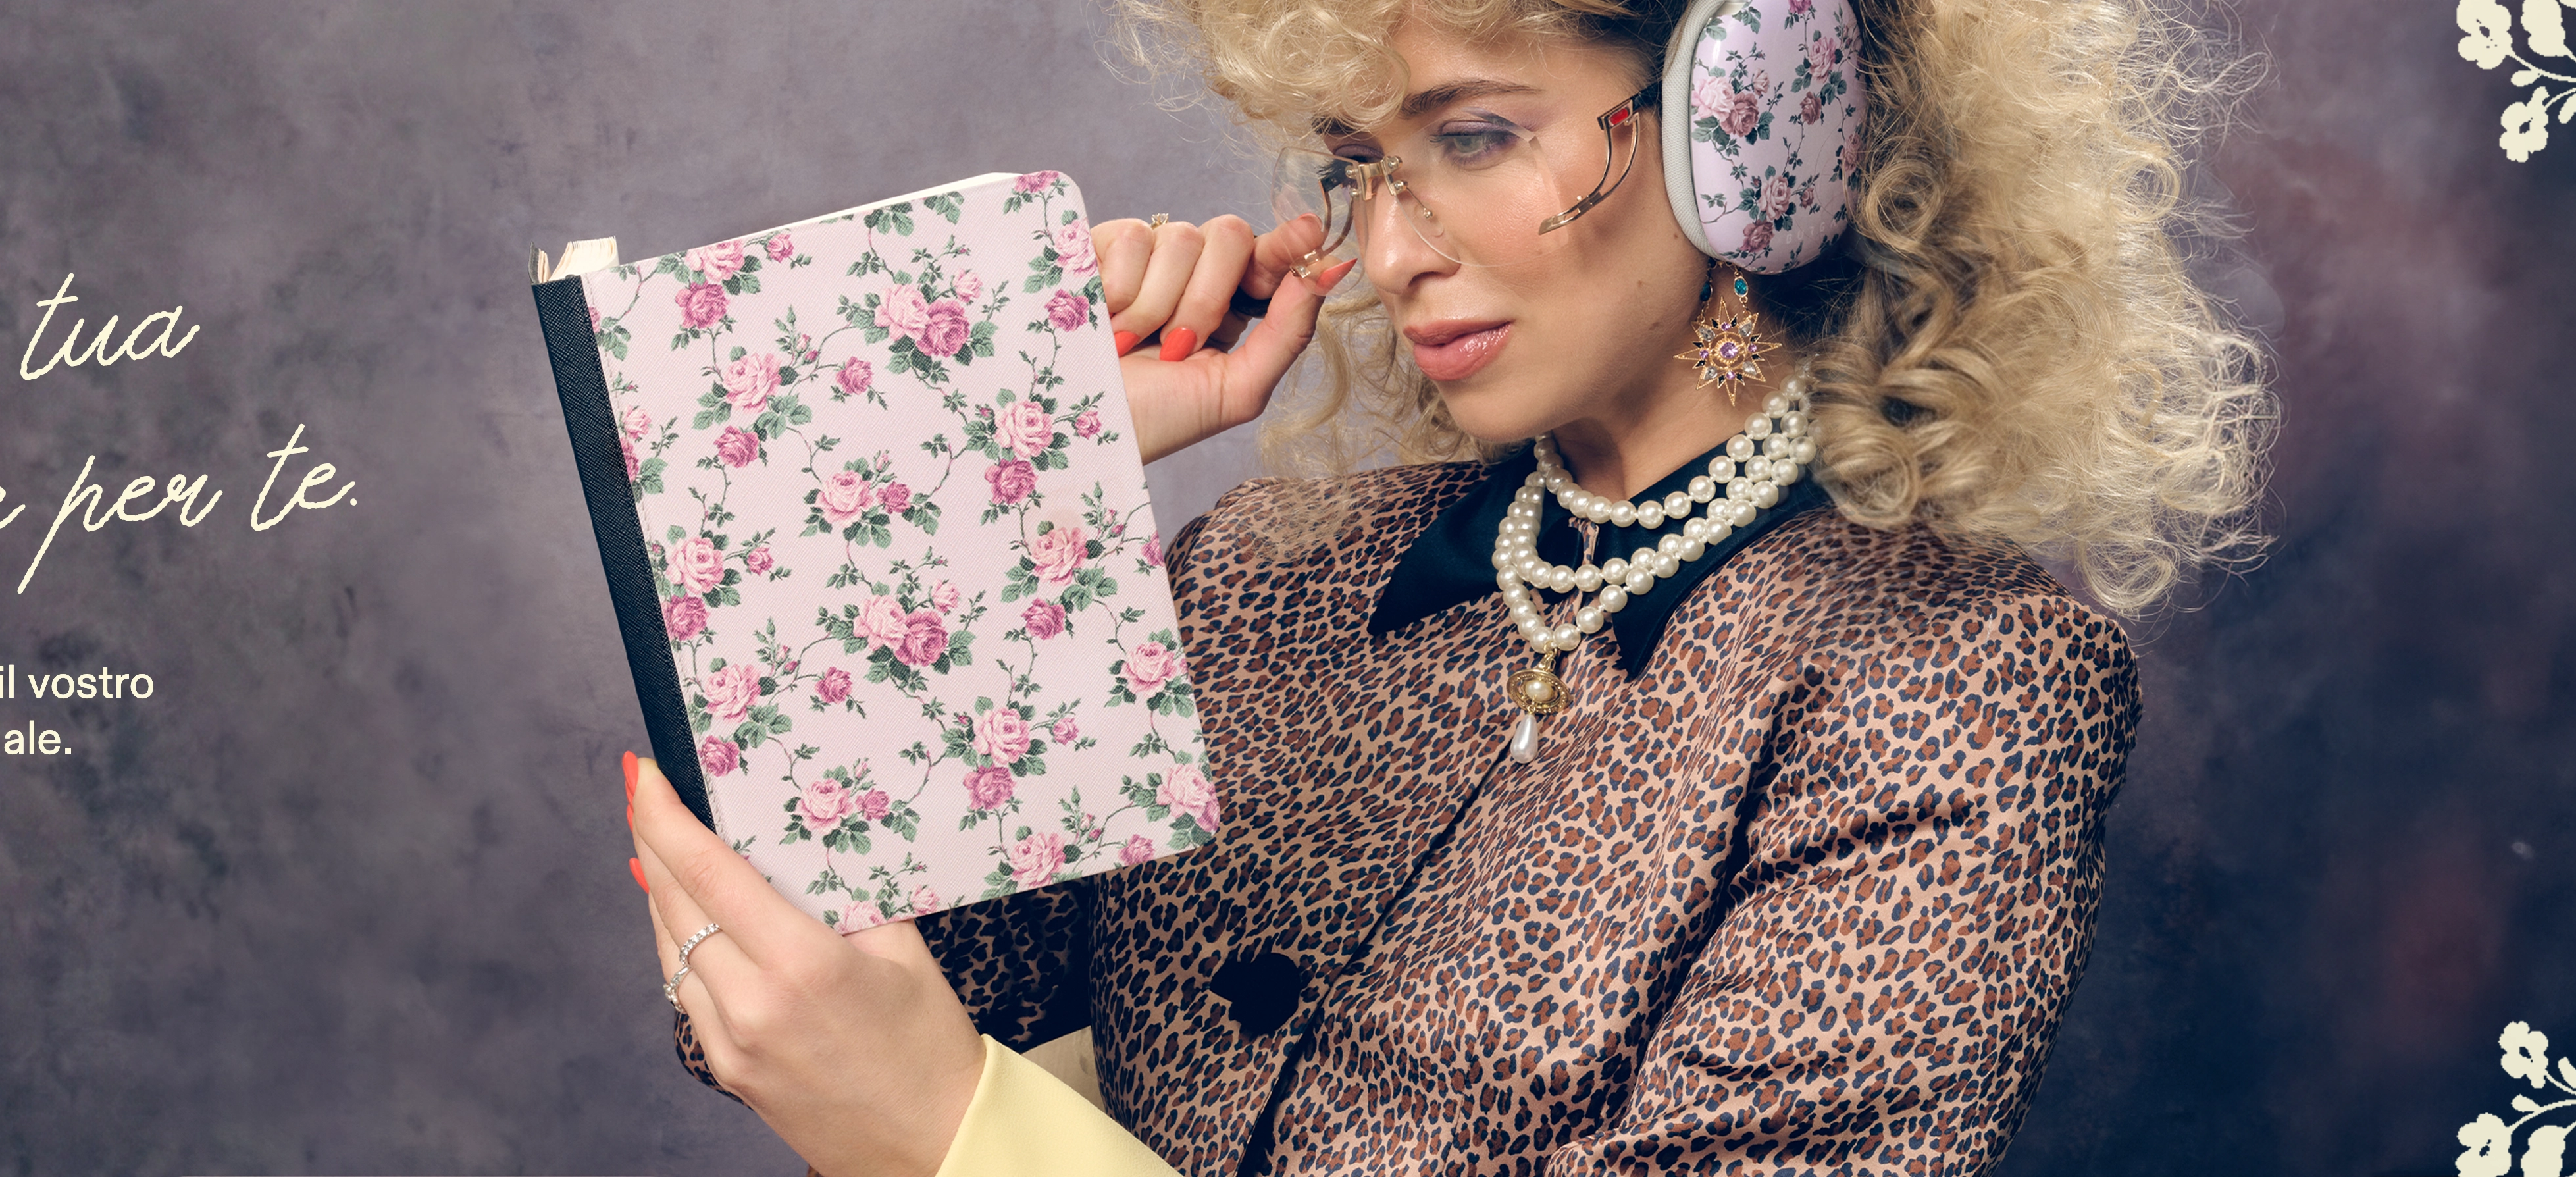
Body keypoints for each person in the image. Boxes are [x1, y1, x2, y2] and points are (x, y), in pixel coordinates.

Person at [616, 0, 2267, 1173]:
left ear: (1756, 119)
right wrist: (1010, 480)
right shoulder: (1264, 578)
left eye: (1474, 138)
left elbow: (901, 1085)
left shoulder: (1956, 682)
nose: (1394, 251)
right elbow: (798, 988)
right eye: (1365, 164)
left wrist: (971, 1148)